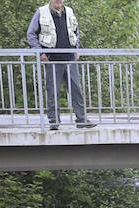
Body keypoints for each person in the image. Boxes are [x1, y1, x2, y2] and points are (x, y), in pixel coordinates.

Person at [26, 0, 95, 130]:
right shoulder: (41, 12)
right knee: (53, 91)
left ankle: (81, 119)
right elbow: (31, 34)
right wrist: (40, 53)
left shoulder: (69, 11)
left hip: (70, 58)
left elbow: (76, 31)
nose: (58, 1)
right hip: (52, 59)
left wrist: (77, 48)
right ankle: (54, 122)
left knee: (76, 90)